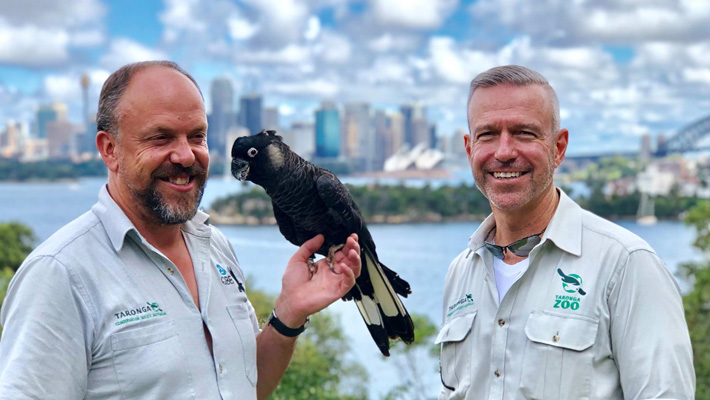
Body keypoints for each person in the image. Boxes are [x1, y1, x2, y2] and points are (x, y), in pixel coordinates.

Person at [0, 61, 361, 400]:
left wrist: (288, 314)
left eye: (197, 136)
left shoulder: (214, 246)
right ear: (110, 150)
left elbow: (247, 387)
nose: (186, 156)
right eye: (161, 138)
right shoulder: (59, 275)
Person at [437, 65, 695, 400]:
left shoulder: (625, 264)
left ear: (559, 148)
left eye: (524, 133)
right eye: (487, 135)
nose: (503, 152)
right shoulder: (461, 271)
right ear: (470, 149)